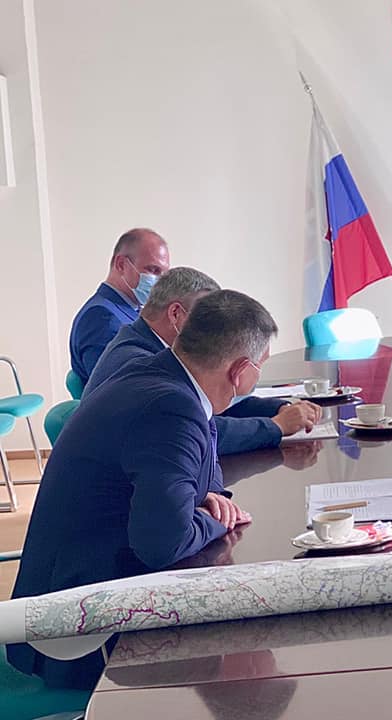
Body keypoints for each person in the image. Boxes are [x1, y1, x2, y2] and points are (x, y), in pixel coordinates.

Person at [8, 290, 273, 687]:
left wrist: (205, 496)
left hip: (92, 591)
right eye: (261, 367)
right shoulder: (171, 407)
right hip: (78, 633)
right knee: (241, 629)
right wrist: (216, 521)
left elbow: (209, 468)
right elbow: (163, 544)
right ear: (240, 371)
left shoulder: (169, 379)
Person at [84, 267, 319, 454]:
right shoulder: (139, 362)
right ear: (176, 314)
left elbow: (214, 402)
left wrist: (278, 409)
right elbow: (197, 431)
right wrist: (276, 426)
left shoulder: (155, 346)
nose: (215, 328)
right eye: (205, 317)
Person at [69, 228, 170, 384]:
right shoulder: (103, 318)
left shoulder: (128, 310)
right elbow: (116, 389)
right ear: (121, 264)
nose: (160, 281)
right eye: (153, 270)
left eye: (164, 274)